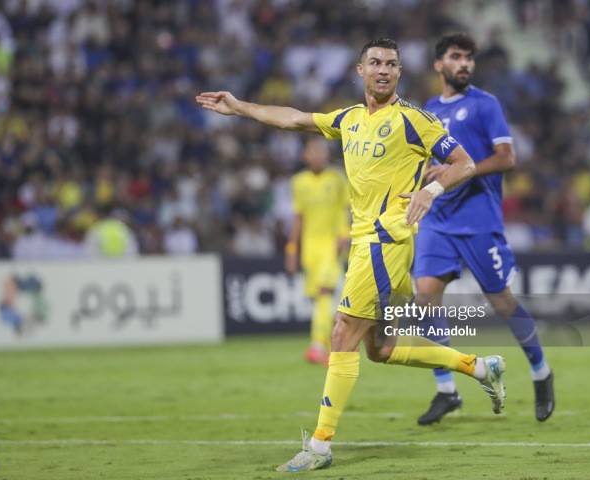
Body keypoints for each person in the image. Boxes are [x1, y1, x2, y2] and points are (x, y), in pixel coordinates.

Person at [196, 38, 506, 473]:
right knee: (379, 349)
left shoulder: (414, 119)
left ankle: (320, 445)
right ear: (360, 70)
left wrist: (430, 190)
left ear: (399, 72)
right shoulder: (348, 118)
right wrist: (240, 106)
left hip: (385, 242)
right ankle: (479, 367)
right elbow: (294, 119)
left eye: (392, 64)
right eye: (375, 63)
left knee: (341, 333)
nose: (383, 70)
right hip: (372, 245)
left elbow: (465, 162)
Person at [413, 33, 554, 426]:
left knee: (503, 303)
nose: (465, 64)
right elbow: (429, 161)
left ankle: (541, 372)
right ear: (439, 65)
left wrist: (461, 170)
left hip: (478, 219)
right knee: (425, 299)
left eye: (469, 58)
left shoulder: (485, 104)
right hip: (438, 220)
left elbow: (507, 158)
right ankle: (446, 390)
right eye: (456, 57)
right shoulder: (426, 110)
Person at [285, 137, 350, 365]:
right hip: (309, 247)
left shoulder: (337, 178)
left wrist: (344, 234)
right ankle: (332, 346)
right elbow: (298, 217)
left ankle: (317, 345)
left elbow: (346, 209)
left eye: (321, 151)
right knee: (320, 298)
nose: (318, 155)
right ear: (305, 157)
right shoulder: (298, 182)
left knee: (324, 292)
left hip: (331, 245)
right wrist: (291, 249)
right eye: (313, 151)